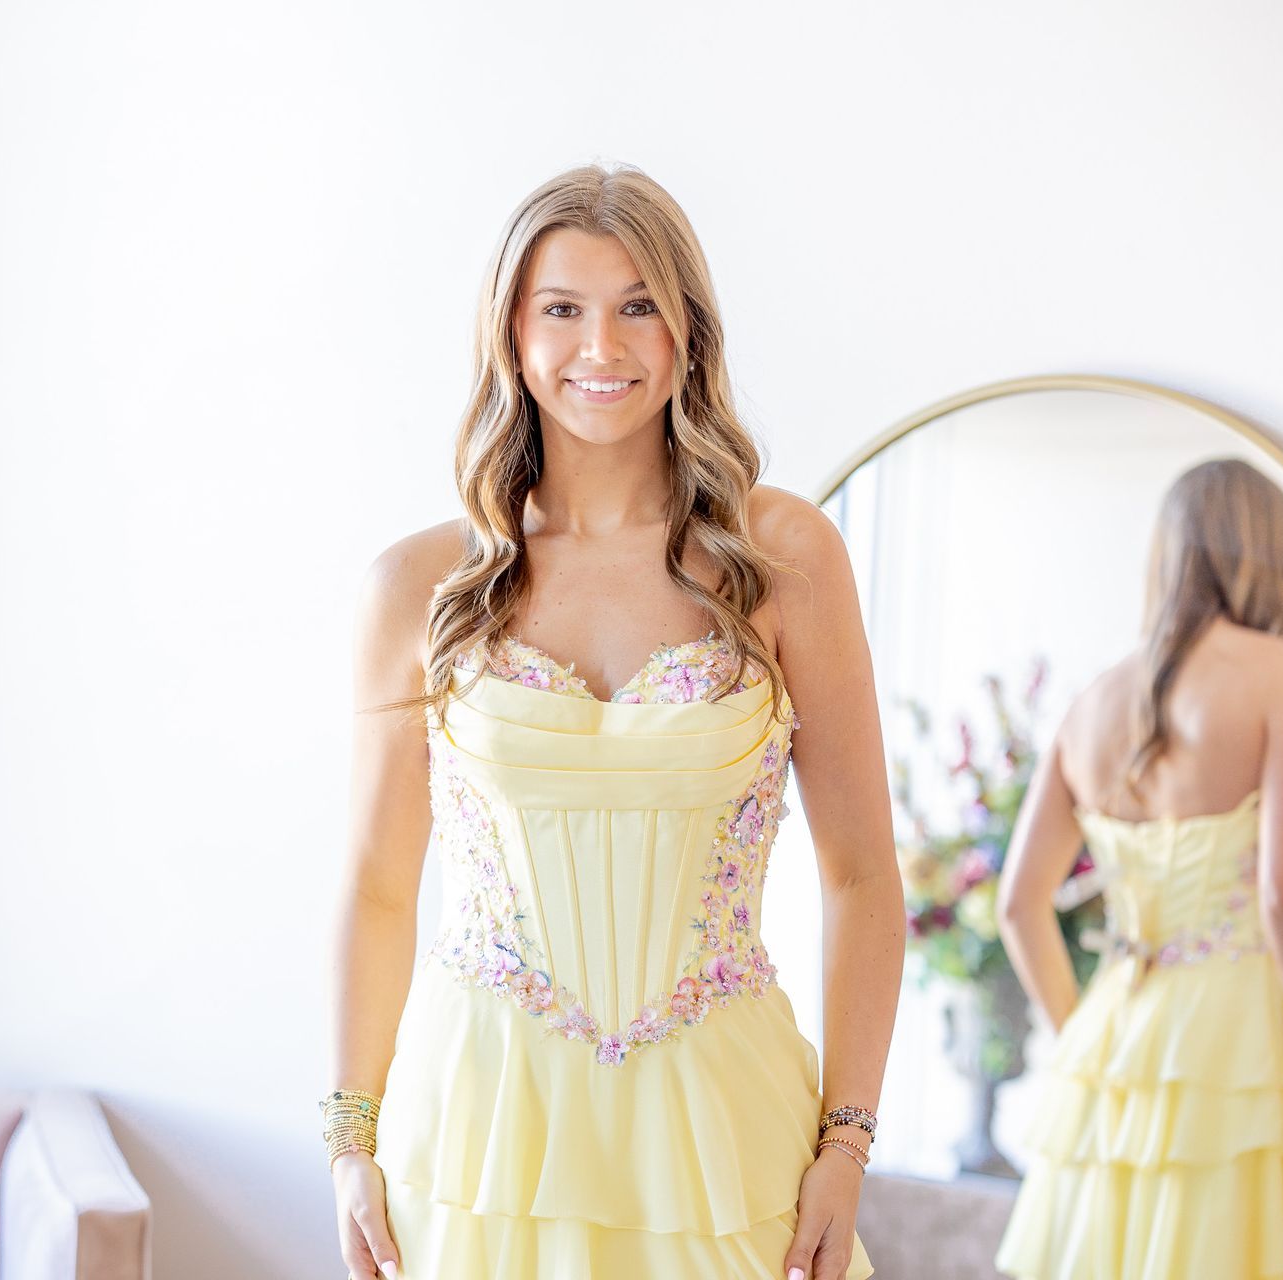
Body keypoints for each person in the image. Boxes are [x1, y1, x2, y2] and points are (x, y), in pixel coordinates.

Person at [323, 161, 903, 1280]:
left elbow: (863, 877)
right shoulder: (418, 586)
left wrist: (848, 1142)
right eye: (564, 309)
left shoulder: (786, 558)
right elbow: (376, 883)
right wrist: (348, 1141)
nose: (604, 346)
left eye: (639, 304)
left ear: (689, 327)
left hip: (723, 1133)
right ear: (512, 332)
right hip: (478, 1133)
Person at [994, 457, 1283, 1278]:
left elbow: (1017, 906)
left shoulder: (1092, 700)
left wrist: (1080, 1038)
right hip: (1237, 1043)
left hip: (1115, 1038)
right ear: (1274, 553)